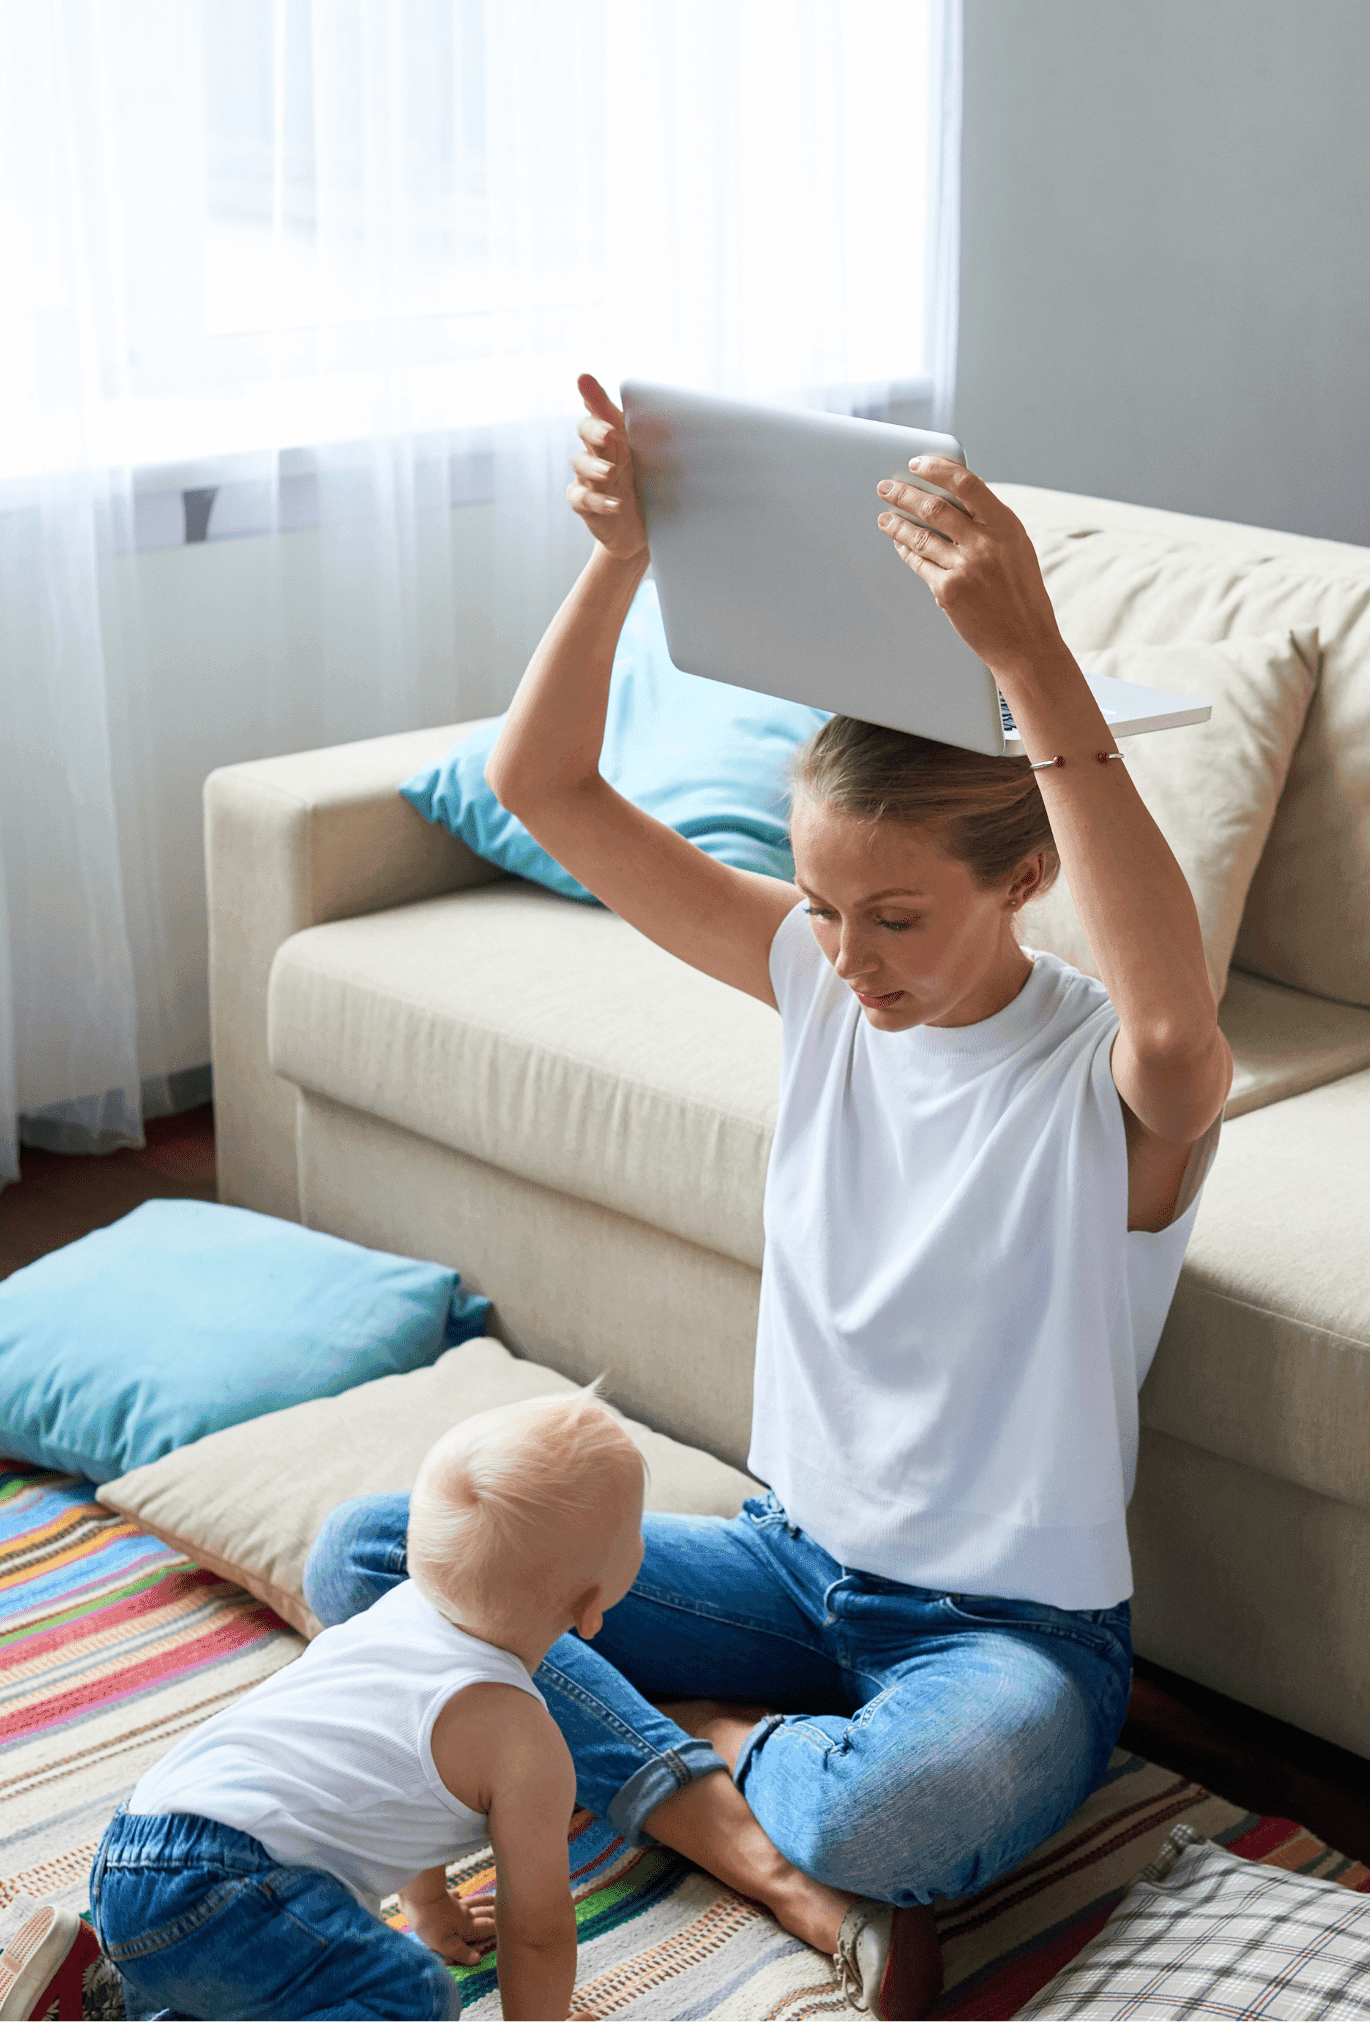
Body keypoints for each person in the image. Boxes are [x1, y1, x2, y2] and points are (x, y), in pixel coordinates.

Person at [303, 373, 1232, 2021]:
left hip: (1006, 1638)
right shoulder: (809, 977)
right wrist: (619, 559)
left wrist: (1027, 659)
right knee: (373, 1553)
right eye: (818, 904)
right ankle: (738, 1822)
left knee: (904, 1809)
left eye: (895, 916)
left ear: (1025, 878)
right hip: (789, 1562)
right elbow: (549, 788)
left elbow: (1178, 1024)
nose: (848, 956)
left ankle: (690, 1755)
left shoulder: (1109, 1085)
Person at [89, 1393, 648, 2021]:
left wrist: (430, 1904)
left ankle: (114, 2000)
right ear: (593, 1604)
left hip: (132, 1853)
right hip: (223, 1889)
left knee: (232, 1975)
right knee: (409, 1993)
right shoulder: (525, 1744)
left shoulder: (396, 1613)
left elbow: (396, 1777)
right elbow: (538, 1932)